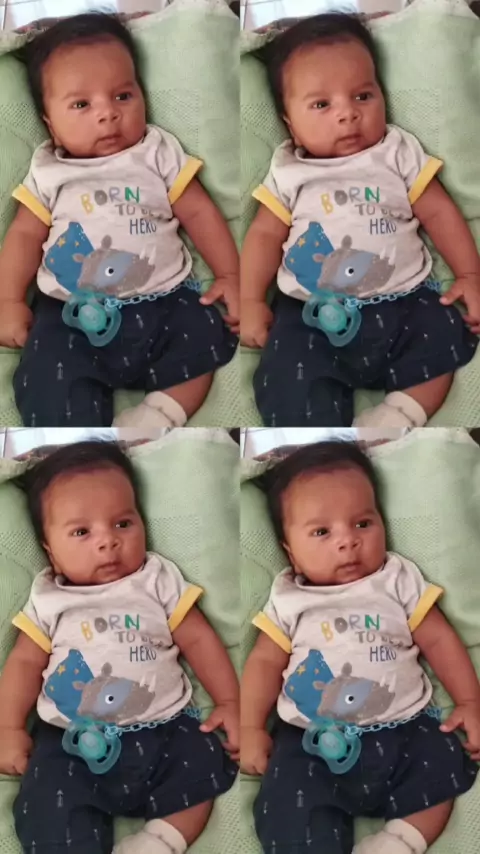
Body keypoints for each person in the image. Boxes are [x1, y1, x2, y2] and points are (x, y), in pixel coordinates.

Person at [241, 13, 480, 427]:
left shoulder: (396, 151)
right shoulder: (290, 170)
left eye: (363, 96)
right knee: (287, 374)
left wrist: (470, 274)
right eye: (322, 104)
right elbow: (263, 234)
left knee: (444, 333)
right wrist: (250, 299)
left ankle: (399, 414)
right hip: (311, 312)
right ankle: (320, 429)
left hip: (404, 299)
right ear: (290, 125)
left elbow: (439, 211)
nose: (348, 114)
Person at [0, 13, 239, 428]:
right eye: (82, 104)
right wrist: (8, 300)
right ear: (50, 124)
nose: (108, 113)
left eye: (123, 96)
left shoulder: (155, 151)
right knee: (47, 372)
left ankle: (158, 415)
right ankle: (78, 434)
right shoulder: (50, 171)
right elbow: (23, 235)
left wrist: (230, 274)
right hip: (70, 311)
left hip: (164, 299)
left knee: (205, 334)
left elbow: (199, 211)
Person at [0, 441, 239, 854]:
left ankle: (159, 841)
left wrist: (230, 701)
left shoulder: (155, 579)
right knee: (47, 799)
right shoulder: (50, 598)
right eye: (82, 532)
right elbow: (23, 662)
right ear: (50, 552)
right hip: (71, 738)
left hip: (165, 727)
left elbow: (198, 638)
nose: (108, 541)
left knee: (204, 764)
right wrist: (8, 727)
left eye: (123, 523)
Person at [241, 441, 479, 854]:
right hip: (311, 739)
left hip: (405, 727)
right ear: (290, 553)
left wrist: (470, 701)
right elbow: (263, 662)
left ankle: (400, 841)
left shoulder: (396, 579)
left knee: (443, 764)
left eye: (363, 523)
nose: (348, 541)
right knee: (287, 803)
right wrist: (250, 726)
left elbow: (439, 639)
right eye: (322, 532)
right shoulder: (290, 598)